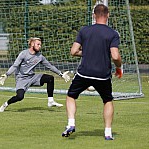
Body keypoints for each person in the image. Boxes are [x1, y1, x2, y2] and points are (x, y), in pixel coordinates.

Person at [61, 4, 122, 140]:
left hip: (84, 73)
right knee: (107, 101)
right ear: (108, 15)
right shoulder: (112, 33)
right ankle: (107, 133)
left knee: (71, 96)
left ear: (94, 15)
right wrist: (118, 68)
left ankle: (71, 123)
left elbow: (73, 51)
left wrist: (87, 52)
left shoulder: (84, 30)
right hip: (103, 75)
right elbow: (116, 56)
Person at [0, 37, 70, 112]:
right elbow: (15, 65)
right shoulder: (23, 54)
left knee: (50, 78)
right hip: (21, 79)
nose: (40, 46)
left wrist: (61, 74)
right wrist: (6, 75)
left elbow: (50, 66)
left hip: (32, 77)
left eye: (40, 45)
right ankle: (5, 104)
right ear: (32, 44)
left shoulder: (40, 57)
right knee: (20, 97)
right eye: (38, 44)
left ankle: (50, 101)